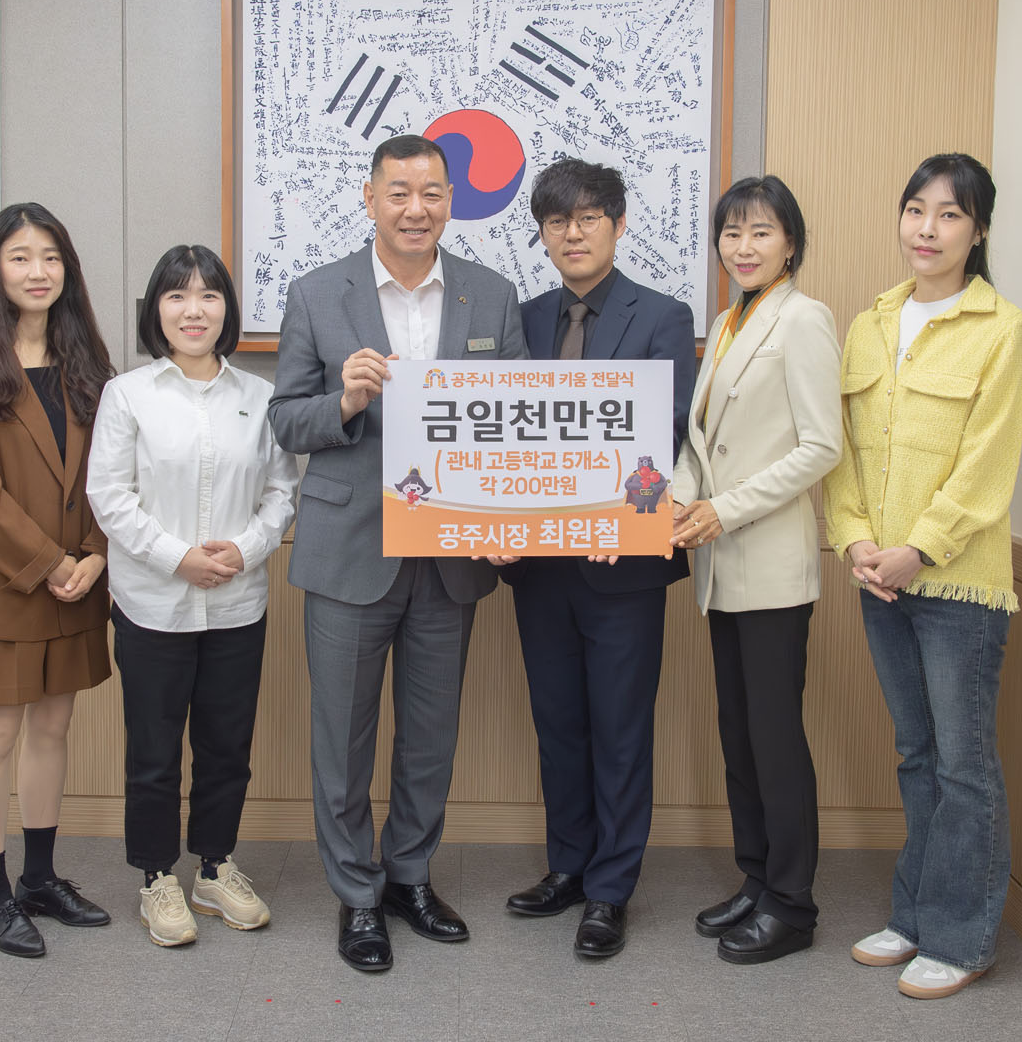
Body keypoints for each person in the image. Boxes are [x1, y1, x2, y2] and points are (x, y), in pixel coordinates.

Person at [268, 133, 527, 972]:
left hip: (451, 552)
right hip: (350, 549)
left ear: (452, 200)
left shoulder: (492, 295)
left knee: (430, 734)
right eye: (399, 193)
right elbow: (285, 420)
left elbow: (517, 422)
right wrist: (343, 401)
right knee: (342, 738)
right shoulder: (317, 293)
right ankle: (356, 895)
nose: (416, 209)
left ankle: (409, 877)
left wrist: (513, 520)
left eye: (431, 193)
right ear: (371, 198)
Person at [823, 153, 1022, 999]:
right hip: (879, 578)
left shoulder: (1001, 328)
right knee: (916, 754)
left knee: (963, 766)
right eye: (916, 210)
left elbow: (988, 465)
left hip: (958, 584)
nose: (928, 229)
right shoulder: (871, 322)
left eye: (950, 215)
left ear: (977, 231)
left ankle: (962, 937)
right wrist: (854, 543)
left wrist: (919, 547)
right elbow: (844, 452)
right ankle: (914, 916)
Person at [490, 158, 694, 959]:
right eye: (556, 221)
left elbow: (665, 428)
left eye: (587, 218)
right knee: (559, 725)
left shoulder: (662, 316)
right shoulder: (523, 318)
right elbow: (500, 430)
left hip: (623, 567)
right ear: (542, 234)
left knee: (620, 730)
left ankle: (611, 888)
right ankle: (568, 866)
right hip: (539, 566)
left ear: (617, 223)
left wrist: (601, 507)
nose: (572, 233)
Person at [86, 245, 297, 948]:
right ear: (156, 311)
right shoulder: (128, 395)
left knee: (226, 748)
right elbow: (109, 495)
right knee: (153, 754)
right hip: (153, 604)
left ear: (227, 310)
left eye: (208, 295)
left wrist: (248, 547)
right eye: (176, 295)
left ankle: (214, 866)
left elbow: (282, 490)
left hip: (238, 602)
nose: (193, 310)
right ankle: (156, 877)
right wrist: (178, 558)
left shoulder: (259, 397)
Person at [0, 202, 116, 958]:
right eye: (20, 257)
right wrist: (51, 564)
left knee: (52, 728)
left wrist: (95, 553)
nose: (38, 271)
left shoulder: (89, 365)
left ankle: (40, 878)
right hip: (7, 584)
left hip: (79, 579)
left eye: (51, 257)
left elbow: (112, 474)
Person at [668, 175, 842, 964]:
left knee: (775, 738)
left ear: (791, 244)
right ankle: (757, 878)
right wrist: (672, 504)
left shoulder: (804, 320)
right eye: (732, 233)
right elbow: (699, 445)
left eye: (761, 232)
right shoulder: (728, 321)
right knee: (738, 734)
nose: (743, 247)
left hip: (768, 562)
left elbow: (820, 447)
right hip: (719, 565)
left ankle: (793, 904)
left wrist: (723, 509)